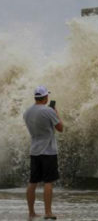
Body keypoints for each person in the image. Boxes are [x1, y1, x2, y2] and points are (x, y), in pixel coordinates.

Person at [23, 86, 63, 220]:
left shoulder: (27, 112)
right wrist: (55, 112)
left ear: (35, 97)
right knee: (48, 182)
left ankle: (31, 213)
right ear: (45, 97)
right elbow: (60, 128)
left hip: (34, 151)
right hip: (48, 151)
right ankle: (48, 212)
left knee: (32, 182)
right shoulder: (48, 111)